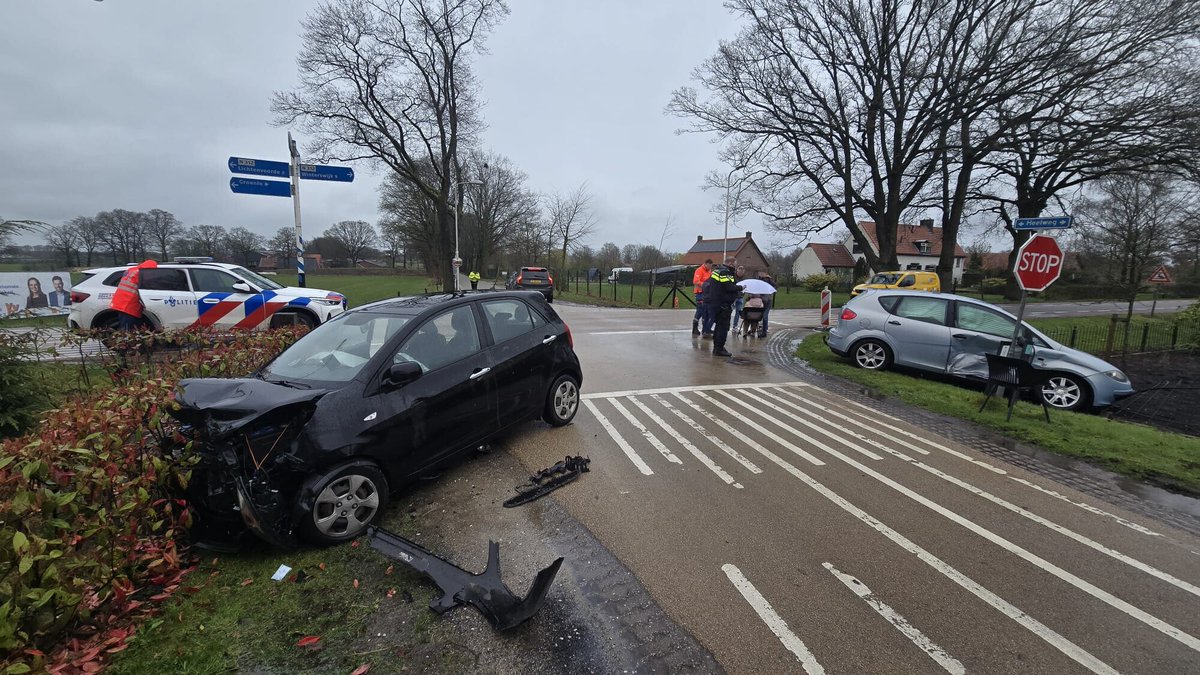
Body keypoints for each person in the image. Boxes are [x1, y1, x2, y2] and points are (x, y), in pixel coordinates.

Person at [703, 257, 740, 357]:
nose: (736, 266)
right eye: (735, 264)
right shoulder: (725, 272)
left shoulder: (717, 271)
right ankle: (719, 348)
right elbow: (729, 287)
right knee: (723, 328)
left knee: (718, 327)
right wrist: (740, 287)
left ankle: (717, 348)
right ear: (731, 263)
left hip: (715, 303)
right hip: (723, 304)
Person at [109, 260, 157, 330]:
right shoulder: (142, 274)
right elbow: (150, 284)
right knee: (127, 329)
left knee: (130, 326)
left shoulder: (131, 270)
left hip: (120, 301)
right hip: (128, 304)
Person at [691, 259, 712, 336]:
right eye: (709, 266)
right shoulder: (699, 270)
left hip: (706, 293)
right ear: (705, 264)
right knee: (700, 310)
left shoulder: (709, 271)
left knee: (706, 311)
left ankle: (706, 328)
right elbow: (696, 281)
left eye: (711, 266)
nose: (710, 268)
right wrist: (706, 285)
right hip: (699, 293)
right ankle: (695, 328)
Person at [757, 272, 776, 338]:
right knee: (759, 316)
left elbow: (775, 286)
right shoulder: (758, 280)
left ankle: (764, 331)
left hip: (767, 301)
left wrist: (769, 279)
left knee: (765, 316)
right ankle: (758, 329)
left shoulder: (768, 280)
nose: (761, 274)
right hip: (760, 301)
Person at [731, 265, 746, 335]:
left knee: (738, 312)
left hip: (740, 297)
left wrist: (743, 292)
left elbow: (745, 287)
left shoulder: (744, 279)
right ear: (737, 271)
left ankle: (735, 326)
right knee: (730, 311)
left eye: (742, 272)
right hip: (734, 297)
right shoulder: (733, 277)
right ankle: (726, 324)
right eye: (739, 271)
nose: (740, 273)